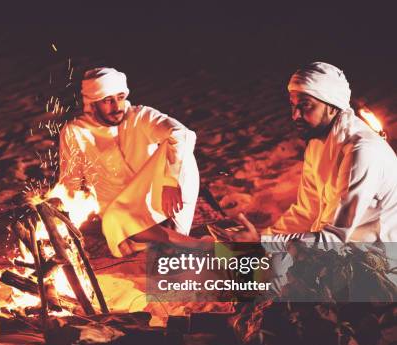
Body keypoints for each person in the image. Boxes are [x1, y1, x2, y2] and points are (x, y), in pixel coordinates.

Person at [212, 62, 397, 251]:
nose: (295, 115)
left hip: (376, 261)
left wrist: (262, 243)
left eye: (305, 106)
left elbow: (334, 238)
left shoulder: (362, 152)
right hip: (333, 250)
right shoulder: (317, 141)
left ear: (333, 106)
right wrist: (265, 238)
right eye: (293, 106)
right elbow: (306, 212)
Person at [59, 67, 200, 257]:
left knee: (179, 148)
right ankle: (193, 245)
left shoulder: (140, 116)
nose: (116, 106)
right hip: (120, 211)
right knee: (114, 220)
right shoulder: (75, 131)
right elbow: (71, 181)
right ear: (93, 104)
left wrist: (170, 181)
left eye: (120, 97)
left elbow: (181, 134)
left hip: (159, 195)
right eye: (108, 100)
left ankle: (175, 240)